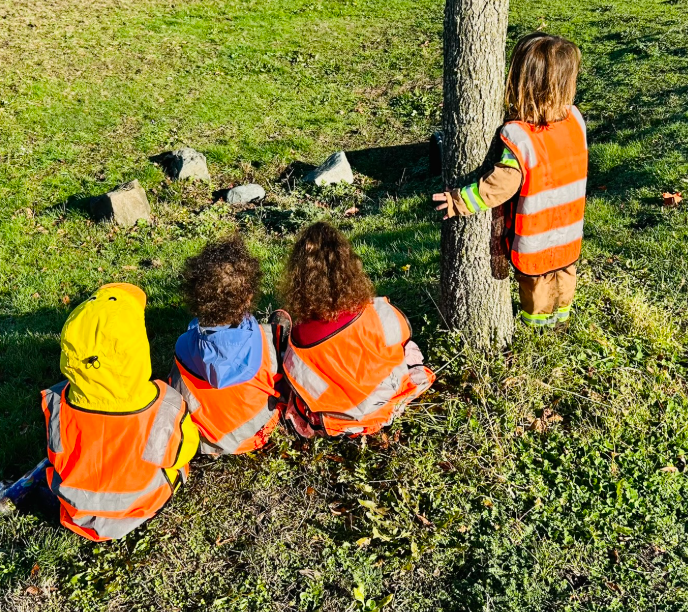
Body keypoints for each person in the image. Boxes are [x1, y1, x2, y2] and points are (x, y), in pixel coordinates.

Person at [433, 33, 588, 328]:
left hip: (538, 233)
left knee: (537, 283)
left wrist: (459, 200)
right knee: (565, 271)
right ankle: (561, 316)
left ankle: (537, 326)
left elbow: (500, 186)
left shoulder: (522, 138)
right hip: (568, 227)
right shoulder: (575, 122)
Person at [40, 283, 199, 541]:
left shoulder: (55, 401)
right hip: (141, 504)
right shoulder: (165, 403)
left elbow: (57, 454)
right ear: (136, 346)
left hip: (78, 509)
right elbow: (183, 451)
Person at [280, 221, 435, 438]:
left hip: (338, 419)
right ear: (350, 267)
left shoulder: (300, 338)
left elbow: (301, 386)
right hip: (386, 398)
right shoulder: (379, 311)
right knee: (409, 349)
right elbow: (404, 338)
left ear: (299, 279)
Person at [169, 235, 282, 456]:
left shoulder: (183, 345)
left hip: (206, 440)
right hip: (258, 431)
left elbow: (176, 390)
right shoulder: (266, 340)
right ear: (248, 296)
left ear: (197, 299)